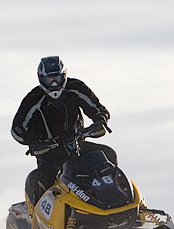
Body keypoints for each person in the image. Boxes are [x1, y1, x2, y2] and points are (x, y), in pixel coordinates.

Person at [10, 56, 118, 204]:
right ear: (41, 79)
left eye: (58, 78)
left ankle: (117, 199)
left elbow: (98, 108)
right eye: (50, 80)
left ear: (64, 75)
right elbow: (17, 128)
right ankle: (38, 218)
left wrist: (100, 122)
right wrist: (34, 143)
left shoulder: (76, 88)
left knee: (108, 155)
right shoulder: (33, 99)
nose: (54, 83)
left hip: (78, 143)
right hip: (50, 151)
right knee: (47, 176)